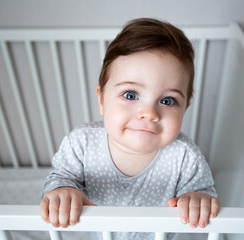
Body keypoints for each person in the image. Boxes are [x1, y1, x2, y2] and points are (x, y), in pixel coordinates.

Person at [40, 18, 220, 239]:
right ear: (102, 100)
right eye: (130, 95)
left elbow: (204, 192)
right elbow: (61, 176)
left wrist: (197, 198)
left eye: (167, 100)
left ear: (185, 108)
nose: (150, 113)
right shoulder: (81, 143)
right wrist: (62, 191)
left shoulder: (185, 157)